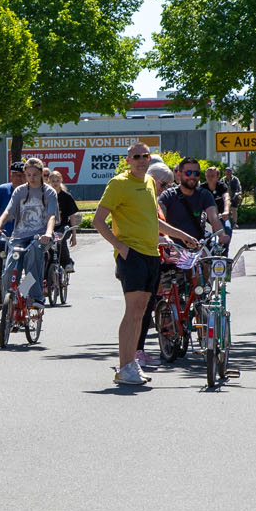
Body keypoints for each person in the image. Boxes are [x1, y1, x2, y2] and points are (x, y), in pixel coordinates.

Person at [91, 142, 200, 386]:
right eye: (136, 156)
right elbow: (98, 221)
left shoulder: (150, 183)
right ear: (128, 160)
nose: (141, 160)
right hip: (132, 255)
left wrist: (182, 235)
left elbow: (154, 222)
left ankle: (131, 365)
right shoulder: (119, 183)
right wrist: (121, 248)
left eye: (145, 156)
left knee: (141, 312)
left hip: (152, 253)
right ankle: (124, 367)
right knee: (133, 311)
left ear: (150, 159)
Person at [0, 157, 57, 306]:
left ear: (42, 173)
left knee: (33, 260)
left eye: (35, 175)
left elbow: (51, 216)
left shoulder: (49, 192)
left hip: (39, 236)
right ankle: (10, 300)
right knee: (10, 269)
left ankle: (36, 297)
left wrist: (48, 233)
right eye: (28, 175)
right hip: (19, 235)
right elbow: (7, 212)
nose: (31, 178)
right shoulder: (20, 191)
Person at [156, 157, 226, 244]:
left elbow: (213, 217)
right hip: (174, 249)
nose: (192, 176)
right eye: (188, 173)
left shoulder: (204, 195)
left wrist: (222, 235)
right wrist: (166, 238)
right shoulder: (168, 195)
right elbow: (160, 219)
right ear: (179, 174)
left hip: (197, 247)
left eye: (196, 173)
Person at [46, 168, 81, 274]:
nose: (55, 183)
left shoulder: (66, 197)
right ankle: (47, 269)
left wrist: (74, 236)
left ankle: (67, 263)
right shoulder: (46, 196)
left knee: (59, 238)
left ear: (61, 181)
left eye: (57, 181)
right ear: (49, 182)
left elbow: (72, 217)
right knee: (45, 245)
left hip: (63, 227)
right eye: (53, 181)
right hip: (49, 227)